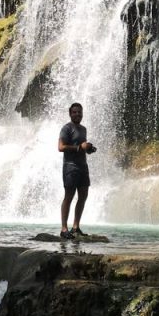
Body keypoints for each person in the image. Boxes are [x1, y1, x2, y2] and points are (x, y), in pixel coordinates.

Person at [58, 102, 95, 239]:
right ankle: (63, 229)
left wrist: (88, 149)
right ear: (70, 113)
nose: (77, 114)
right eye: (74, 112)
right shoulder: (66, 128)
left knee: (83, 196)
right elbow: (61, 147)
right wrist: (80, 147)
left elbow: (81, 147)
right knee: (69, 196)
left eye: (79, 112)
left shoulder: (83, 129)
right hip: (70, 166)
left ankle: (75, 227)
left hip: (82, 166)